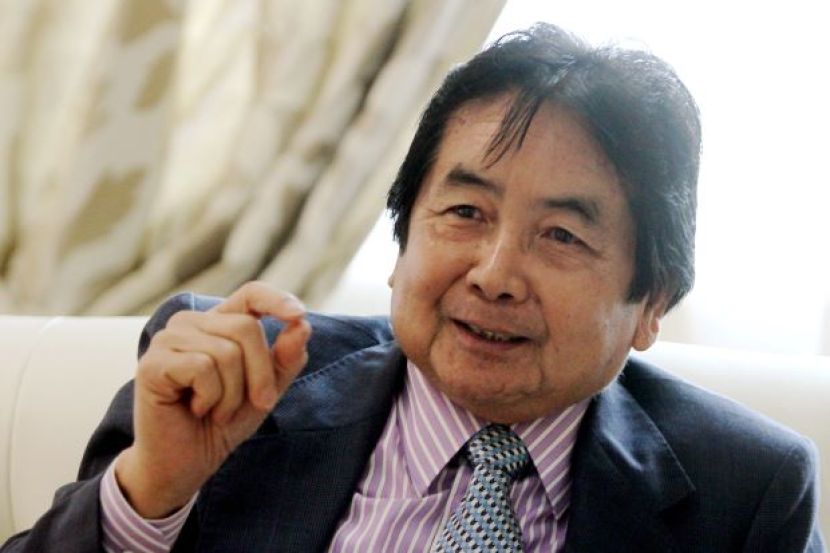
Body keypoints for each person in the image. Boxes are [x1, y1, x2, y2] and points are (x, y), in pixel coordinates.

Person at [2, 23, 824, 553]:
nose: (494, 274)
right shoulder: (231, 384)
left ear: (652, 303)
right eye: (465, 212)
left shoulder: (746, 493)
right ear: (400, 241)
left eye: (562, 236)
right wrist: (151, 492)